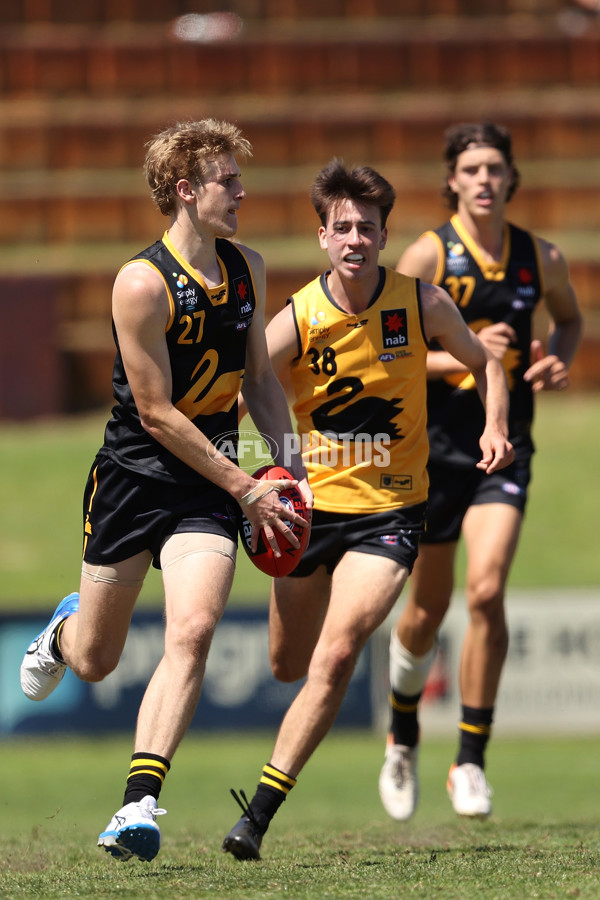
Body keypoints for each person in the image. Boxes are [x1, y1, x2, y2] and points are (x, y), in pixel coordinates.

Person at [19, 118, 311, 863]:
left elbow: (260, 381)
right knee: (95, 661)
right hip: (131, 482)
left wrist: (290, 467)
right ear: (185, 190)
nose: (242, 192)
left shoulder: (248, 267)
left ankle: (135, 806)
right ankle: (64, 631)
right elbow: (154, 413)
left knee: (195, 629)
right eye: (227, 181)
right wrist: (248, 484)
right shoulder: (141, 284)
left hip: (206, 490)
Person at [221, 158, 514, 862]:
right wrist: (265, 470)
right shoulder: (299, 316)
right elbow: (244, 389)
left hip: (389, 513)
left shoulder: (419, 302)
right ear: (323, 236)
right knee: (289, 665)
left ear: (384, 236)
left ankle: (257, 817)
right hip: (308, 513)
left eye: (368, 228)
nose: (355, 238)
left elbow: (488, 361)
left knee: (340, 648)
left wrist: (495, 424)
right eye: (342, 227)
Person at [378, 121, 582, 823]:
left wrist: (558, 354)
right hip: (432, 454)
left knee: (488, 589)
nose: (485, 178)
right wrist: (470, 355)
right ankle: (402, 732)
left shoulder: (541, 256)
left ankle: (469, 760)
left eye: (496, 166)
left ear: (511, 175)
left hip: (506, 448)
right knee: (426, 614)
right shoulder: (428, 256)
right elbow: (381, 354)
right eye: (472, 168)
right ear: (453, 180)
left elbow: (571, 320)